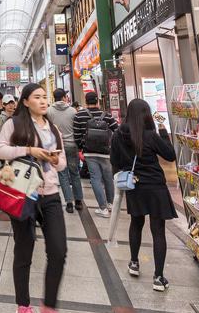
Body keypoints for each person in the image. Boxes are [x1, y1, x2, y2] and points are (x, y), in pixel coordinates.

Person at [0, 83, 67, 313]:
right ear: (26, 101)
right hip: (24, 195)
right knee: (24, 251)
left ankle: (49, 307)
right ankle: (23, 307)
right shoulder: (13, 124)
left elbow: (63, 164)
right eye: (37, 97)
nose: (43, 101)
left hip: (51, 194)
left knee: (58, 251)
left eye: (45, 97)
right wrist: (29, 150)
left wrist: (55, 159)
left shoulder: (53, 127)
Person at [111, 98, 177, 292]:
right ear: (146, 115)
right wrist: (163, 132)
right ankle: (158, 277)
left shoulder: (118, 135)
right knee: (158, 231)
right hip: (155, 187)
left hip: (135, 186)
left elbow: (114, 161)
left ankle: (134, 262)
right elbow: (170, 155)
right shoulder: (151, 135)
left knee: (136, 224)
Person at [74, 92, 118, 215]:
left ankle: (102, 208)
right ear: (97, 102)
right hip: (105, 152)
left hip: (89, 152)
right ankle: (110, 204)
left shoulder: (79, 115)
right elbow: (117, 130)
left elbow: (77, 135)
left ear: (86, 102)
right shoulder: (107, 115)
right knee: (108, 178)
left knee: (95, 179)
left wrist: (80, 148)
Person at [47, 88, 84, 213]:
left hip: (58, 147)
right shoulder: (73, 111)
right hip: (72, 145)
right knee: (75, 173)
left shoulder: (49, 111)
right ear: (64, 97)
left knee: (62, 175)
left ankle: (69, 203)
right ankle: (78, 201)